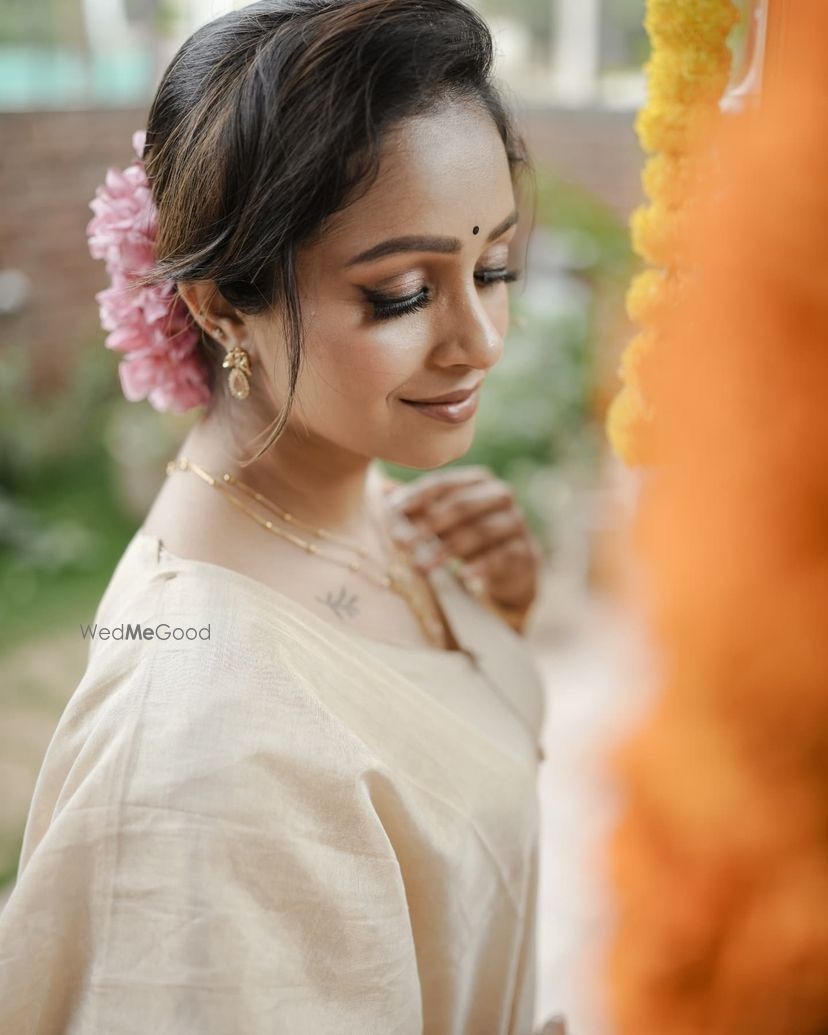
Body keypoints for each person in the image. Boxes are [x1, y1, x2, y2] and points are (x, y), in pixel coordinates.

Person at [0, 2, 553, 1031]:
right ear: (216, 302)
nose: (479, 339)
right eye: (399, 294)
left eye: (495, 269)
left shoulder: (357, 497)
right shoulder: (205, 761)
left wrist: (489, 627)